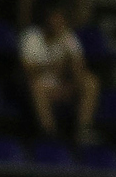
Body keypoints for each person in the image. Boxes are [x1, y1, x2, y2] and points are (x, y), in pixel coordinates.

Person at [22, 9, 101, 144]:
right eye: (53, 19)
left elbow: (79, 69)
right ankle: (49, 133)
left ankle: (83, 130)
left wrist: (70, 61)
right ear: (46, 21)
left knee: (90, 81)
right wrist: (51, 65)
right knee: (36, 87)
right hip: (43, 86)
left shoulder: (68, 37)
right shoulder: (32, 37)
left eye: (60, 20)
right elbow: (28, 71)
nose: (57, 24)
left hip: (64, 84)